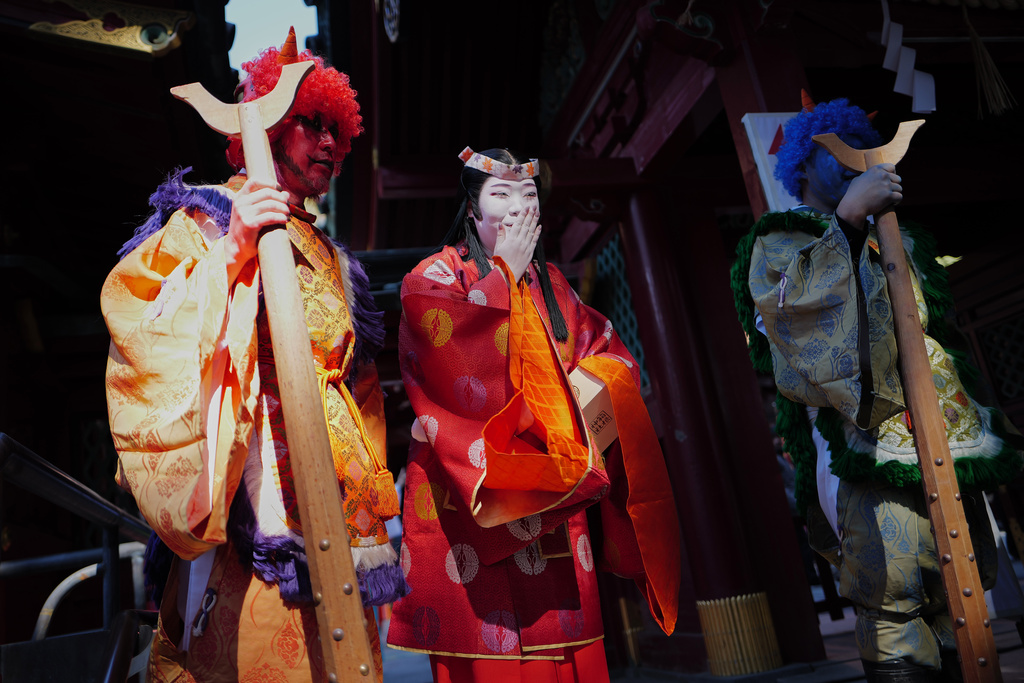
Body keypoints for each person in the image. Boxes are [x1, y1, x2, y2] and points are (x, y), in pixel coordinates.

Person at [101, 29, 407, 682]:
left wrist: (370, 474)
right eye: (310, 124)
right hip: (256, 500)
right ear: (261, 126)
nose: (328, 143)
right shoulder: (204, 219)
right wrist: (233, 249)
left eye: (336, 131)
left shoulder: (336, 260)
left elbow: (364, 388)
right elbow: (145, 329)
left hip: (341, 497)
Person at [730, 93, 1022, 682]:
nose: (856, 159)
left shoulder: (904, 235)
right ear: (805, 165)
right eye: (839, 150)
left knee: (960, 582)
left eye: (863, 146)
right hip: (862, 439)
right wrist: (846, 224)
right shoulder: (780, 239)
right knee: (893, 589)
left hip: (940, 430)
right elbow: (788, 318)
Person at [385, 147, 681, 683]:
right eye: (501, 196)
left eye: (528, 197)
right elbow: (450, 362)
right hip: (480, 505)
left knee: (571, 656)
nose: (519, 208)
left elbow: (609, 353)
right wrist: (502, 277)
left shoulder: (554, 287)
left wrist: (583, 398)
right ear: (473, 212)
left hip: (559, 498)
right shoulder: (433, 277)